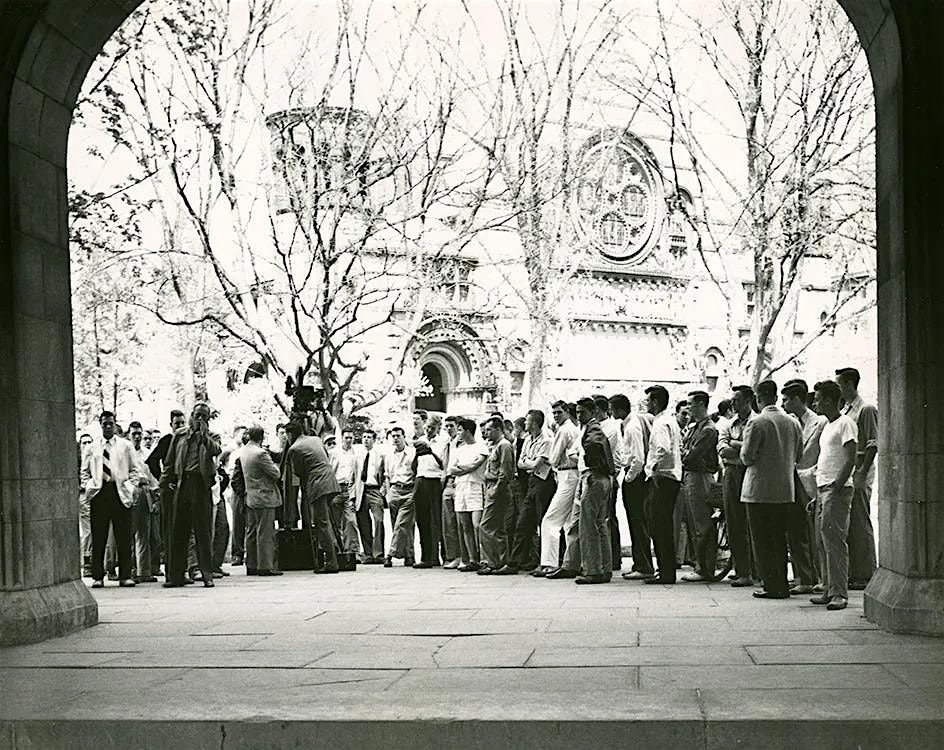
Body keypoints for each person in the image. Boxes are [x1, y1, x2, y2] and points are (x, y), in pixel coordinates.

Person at [739, 380, 803, 600]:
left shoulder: (757, 422)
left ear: (758, 398)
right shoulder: (793, 422)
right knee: (779, 539)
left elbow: (747, 457)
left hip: (759, 490)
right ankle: (782, 583)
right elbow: (799, 455)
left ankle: (770, 584)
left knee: (762, 540)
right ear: (776, 397)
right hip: (785, 489)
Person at [158, 402, 222, 588]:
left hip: (200, 485)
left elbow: (216, 450)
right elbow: (169, 462)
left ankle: (207, 574)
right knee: (178, 530)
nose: (199, 419)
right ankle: (176, 576)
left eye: (203, 416)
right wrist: (164, 484)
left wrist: (203, 436)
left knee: (203, 531)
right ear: (191, 415)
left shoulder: (211, 437)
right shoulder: (180, 435)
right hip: (182, 483)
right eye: (197, 415)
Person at [810, 380, 858, 611]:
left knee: (835, 542)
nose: (815, 403)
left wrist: (837, 486)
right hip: (824, 489)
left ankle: (839, 593)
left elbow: (851, 458)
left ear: (829, 401)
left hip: (835, 489)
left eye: (818, 399)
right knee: (823, 541)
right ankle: (829, 588)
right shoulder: (828, 426)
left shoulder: (845, 423)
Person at [81, 411, 142, 588]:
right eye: (105, 424)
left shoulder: (125, 445)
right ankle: (98, 576)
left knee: (123, 535)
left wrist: (130, 487)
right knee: (98, 536)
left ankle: (125, 575)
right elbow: (84, 471)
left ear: (115, 424)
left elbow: (135, 469)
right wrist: (90, 486)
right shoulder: (92, 447)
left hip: (119, 491)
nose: (108, 426)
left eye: (110, 423)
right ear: (100, 425)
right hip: (100, 492)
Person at [781, 379, 826, 594]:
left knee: (814, 532)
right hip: (792, 481)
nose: (783, 404)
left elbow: (822, 453)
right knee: (796, 530)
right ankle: (803, 577)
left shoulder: (820, 423)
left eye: (786, 400)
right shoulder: (789, 422)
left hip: (812, 480)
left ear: (797, 399)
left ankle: (818, 577)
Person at [835, 367, 878, 589]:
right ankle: (855, 572)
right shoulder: (846, 410)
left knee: (860, 523)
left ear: (849, 384)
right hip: (850, 473)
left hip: (860, 473)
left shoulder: (865, 409)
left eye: (839, 384)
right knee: (850, 524)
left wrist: (861, 473)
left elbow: (872, 444)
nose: (838, 389)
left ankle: (866, 573)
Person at [499, 409, 555, 574]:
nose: (525, 423)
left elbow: (535, 464)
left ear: (535, 423)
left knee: (543, 522)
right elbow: (520, 463)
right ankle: (514, 562)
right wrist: (530, 463)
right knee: (523, 523)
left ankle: (544, 561)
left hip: (544, 482)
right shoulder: (528, 440)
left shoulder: (546, 441)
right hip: (532, 482)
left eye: (528, 421)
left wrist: (529, 463)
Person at [284, 422, 341, 574]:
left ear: (290, 434)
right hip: (330, 480)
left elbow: (298, 472)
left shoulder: (294, 448)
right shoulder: (315, 439)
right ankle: (334, 551)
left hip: (317, 484)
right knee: (326, 521)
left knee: (321, 523)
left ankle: (331, 561)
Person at [611, 394, 654, 581]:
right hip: (633, 474)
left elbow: (638, 458)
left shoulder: (632, 427)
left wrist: (629, 477)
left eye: (612, 409)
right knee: (635, 521)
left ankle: (644, 565)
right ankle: (640, 563)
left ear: (620, 409)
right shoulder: (628, 424)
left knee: (638, 522)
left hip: (635, 476)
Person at [574, 397, 616, 584]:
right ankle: (604, 568)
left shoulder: (593, 428)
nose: (579, 415)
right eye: (577, 412)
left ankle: (593, 570)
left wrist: (592, 464)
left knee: (589, 525)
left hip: (594, 476)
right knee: (599, 524)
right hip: (602, 477)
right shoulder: (593, 428)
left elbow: (594, 444)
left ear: (592, 412)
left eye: (582, 412)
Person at [535, 401, 581, 578]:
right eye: (553, 413)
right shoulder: (570, 428)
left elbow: (553, 458)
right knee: (569, 522)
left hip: (567, 475)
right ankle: (570, 562)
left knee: (550, 520)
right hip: (567, 474)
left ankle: (549, 563)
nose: (555, 416)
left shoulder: (564, 430)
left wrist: (534, 462)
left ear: (567, 412)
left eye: (559, 412)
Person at [643, 385, 682, 585]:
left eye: (648, 400)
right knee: (663, 525)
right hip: (671, 477)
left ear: (656, 402)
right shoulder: (670, 421)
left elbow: (663, 449)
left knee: (659, 526)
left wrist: (653, 469)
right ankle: (666, 570)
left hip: (663, 478)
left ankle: (665, 571)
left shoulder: (660, 424)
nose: (646, 404)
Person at [679, 391, 720, 583]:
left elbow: (692, 455)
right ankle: (701, 565)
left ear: (702, 404)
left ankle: (705, 567)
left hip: (699, 476)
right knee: (696, 523)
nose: (688, 408)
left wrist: (683, 452)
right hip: (692, 475)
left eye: (691, 404)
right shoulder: (697, 427)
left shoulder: (708, 429)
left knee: (701, 523)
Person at [718, 385, 756, 587]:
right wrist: (740, 447)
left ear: (748, 400)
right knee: (734, 522)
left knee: (753, 522)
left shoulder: (756, 422)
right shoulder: (728, 424)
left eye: (737, 400)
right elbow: (722, 448)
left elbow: (752, 452)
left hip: (750, 472)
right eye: (732, 400)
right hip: (732, 473)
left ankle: (756, 570)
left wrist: (735, 444)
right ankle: (742, 570)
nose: (733, 404)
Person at [448, 417, 489, 571]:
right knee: (465, 526)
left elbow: (476, 464)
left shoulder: (481, 446)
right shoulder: (458, 449)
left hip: (476, 486)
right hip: (460, 487)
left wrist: (462, 468)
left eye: (460, 430)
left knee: (477, 525)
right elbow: (452, 469)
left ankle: (484, 558)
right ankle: (472, 560)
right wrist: (466, 469)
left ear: (467, 431)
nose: (458, 433)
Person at [241, 425, 282, 576]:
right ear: (262, 437)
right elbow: (275, 473)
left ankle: (251, 564)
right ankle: (265, 565)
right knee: (265, 532)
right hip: (264, 496)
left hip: (251, 496)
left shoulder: (244, 451)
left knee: (252, 531)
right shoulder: (261, 453)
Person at [477, 416, 516, 575]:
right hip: (492, 486)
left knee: (486, 526)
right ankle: (500, 561)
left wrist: (496, 489)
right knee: (497, 528)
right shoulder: (496, 446)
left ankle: (491, 562)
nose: (486, 433)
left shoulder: (504, 446)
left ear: (498, 429)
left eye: (489, 430)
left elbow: (505, 471)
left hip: (498, 489)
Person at [411, 414, 448, 568]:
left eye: (432, 428)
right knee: (422, 519)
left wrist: (431, 451)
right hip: (421, 479)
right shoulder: (420, 440)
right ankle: (426, 556)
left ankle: (443, 555)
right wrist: (417, 453)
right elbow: (414, 466)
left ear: (438, 428)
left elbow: (444, 464)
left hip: (435, 480)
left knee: (438, 519)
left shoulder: (443, 442)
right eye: (427, 428)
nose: (429, 431)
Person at [593, 395, 622, 570]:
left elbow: (603, 453)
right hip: (601, 474)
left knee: (607, 518)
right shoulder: (595, 427)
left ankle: (613, 558)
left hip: (608, 475)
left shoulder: (610, 429)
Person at [128, 421, 158, 583]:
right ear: (129, 435)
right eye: (134, 434)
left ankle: (144, 571)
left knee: (145, 533)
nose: (137, 437)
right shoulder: (126, 451)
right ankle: (130, 570)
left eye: (139, 433)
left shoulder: (147, 453)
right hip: (130, 491)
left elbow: (152, 475)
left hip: (145, 491)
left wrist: (155, 495)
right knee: (129, 533)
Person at [384, 427, 417, 567]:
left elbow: (416, 473)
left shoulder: (412, 453)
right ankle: (409, 555)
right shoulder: (389, 455)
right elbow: (387, 475)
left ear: (404, 437)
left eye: (398, 436)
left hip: (408, 489)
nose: (396, 438)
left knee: (401, 524)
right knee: (400, 526)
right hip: (394, 490)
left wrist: (414, 492)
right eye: (393, 436)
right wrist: (388, 493)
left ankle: (390, 554)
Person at [353, 429, 386, 564]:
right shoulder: (357, 456)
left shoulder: (380, 455)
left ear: (374, 440)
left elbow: (384, 473)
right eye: (364, 437)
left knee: (379, 520)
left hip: (375, 489)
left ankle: (378, 553)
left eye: (369, 437)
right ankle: (368, 553)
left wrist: (383, 490)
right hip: (361, 490)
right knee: (363, 522)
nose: (366, 439)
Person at [331, 429, 360, 554]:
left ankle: (352, 551)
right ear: (342, 438)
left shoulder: (356, 453)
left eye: (350, 438)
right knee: (335, 522)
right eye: (346, 438)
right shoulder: (334, 453)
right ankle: (337, 551)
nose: (348, 440)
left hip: (349, 489)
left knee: (351, 521)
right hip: (336, 488)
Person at [439, 416, 462, 569]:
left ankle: (466, 556)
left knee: (462, 521)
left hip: (460, 480)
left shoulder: (463, 442)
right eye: (446, 426)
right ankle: (453, 556)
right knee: (448, 522)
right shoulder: (447, 444)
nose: (448, 429)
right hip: (448, 481)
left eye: (451, 426)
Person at [228, 429, 249, 566]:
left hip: (251, 491)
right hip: (239, 492)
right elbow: (234, 478)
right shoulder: (236, 455)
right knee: (238, 524)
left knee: (251, 524)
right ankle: (237, 554)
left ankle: (250, 553)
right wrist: (241, 493)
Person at [77, 433, 94, 577]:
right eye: (84, 442)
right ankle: (87, 561)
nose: (87, 445)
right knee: (87, 530)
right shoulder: (77, 460)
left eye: (89, 442)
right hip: (83, 495)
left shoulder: (94, 457)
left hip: (95, 495)